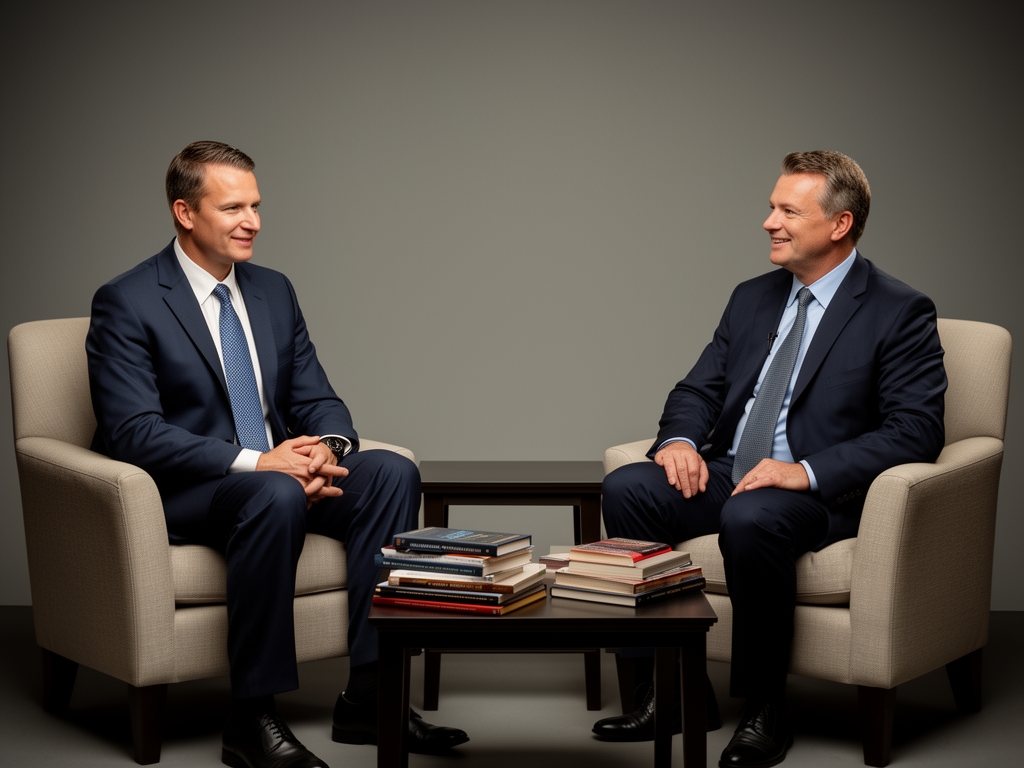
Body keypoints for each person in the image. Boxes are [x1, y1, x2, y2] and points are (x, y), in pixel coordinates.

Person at [87, 141, 468, 768]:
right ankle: (250, 717)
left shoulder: (273, 290)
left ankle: (371, 697)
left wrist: (324, 452)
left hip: (279, 479)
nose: (253, 222)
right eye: (233, 208)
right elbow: (134, 432)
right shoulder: (128, 300)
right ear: (185, 213)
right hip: (189, 487)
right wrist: (261, 463)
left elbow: (318, 398)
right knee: (275, 491)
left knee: (392, 472)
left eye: (256, 206)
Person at [591, 151, 946, 768]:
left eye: (788, 211)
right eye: (771, 207)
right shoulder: (752, 297)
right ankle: (669, 693)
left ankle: (765, 708)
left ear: (839, 224)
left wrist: (803, 472)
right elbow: (697, 390)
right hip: (734, 470)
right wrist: (679, 443)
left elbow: (916, 430)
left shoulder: (898, 310)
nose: (768, 222)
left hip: (819, 493)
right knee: (629, 488)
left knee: (751, 517)